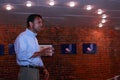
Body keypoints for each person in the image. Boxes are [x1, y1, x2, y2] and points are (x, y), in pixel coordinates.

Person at [14, 14, 52, 80]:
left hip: (35, 71)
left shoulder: (34, 38)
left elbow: (36, 58)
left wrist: (43, 68)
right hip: (27, 72)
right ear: (31, 24)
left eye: (42, 22)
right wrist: (40, 53)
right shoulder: (22, 37)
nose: (41, 24)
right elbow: (21, 56)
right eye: (39, 22)